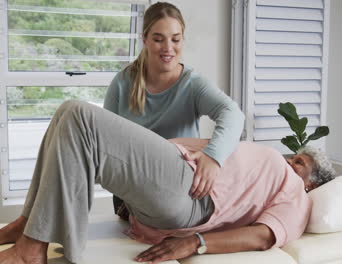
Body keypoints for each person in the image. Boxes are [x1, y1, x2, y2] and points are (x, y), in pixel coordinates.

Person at [0, 100, 335, 264]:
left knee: (79, 115)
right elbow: (197, 147)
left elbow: (262, 236)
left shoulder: (297, 198)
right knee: (67, 113)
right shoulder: (265, 163)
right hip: (172, 178)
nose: (291, 159)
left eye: (299, 161)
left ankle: (32, 251)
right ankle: (29, 224)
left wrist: (196, 243)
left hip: (188, 196)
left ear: (309, 179)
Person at [104, 2, 245, 215]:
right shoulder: (123, 82)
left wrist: (213, 156)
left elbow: (233, 114)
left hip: (177, 185)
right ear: (145, 40)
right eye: (159, 39)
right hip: (131, 189)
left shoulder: (193, 84)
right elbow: (106, 141)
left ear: (182, 39)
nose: (168, 48)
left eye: (175, 39)